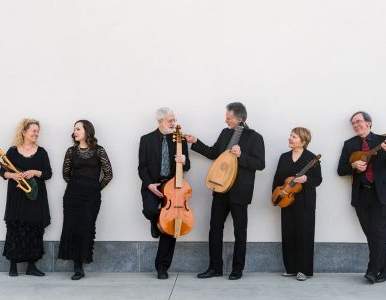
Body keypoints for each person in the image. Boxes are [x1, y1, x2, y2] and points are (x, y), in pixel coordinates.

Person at [185, 102, 265, 280]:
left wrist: (241, 155)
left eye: (228, 118)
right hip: (220, 188)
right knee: (214, 228)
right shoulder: (225, 133)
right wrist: (196, 142)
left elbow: (260, 164)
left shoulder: (255, 137)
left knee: (239, 231)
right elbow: (214, 153)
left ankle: (237, 270)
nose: (225, 120)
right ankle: (215, 268)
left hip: (240, 192)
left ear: (239, 119)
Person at [337, 111, 386, 283]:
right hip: (361, 194)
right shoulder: (349, 144)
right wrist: (353, 165)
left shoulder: (383, 141)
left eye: (358, 121)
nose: (355, 125)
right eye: (353, 123)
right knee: (372, 234)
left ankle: (372, 270)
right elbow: (340, 170)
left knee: (378, 233)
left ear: (369, 123)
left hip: (381, 194)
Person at [138, 107, 191, 279]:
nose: (173, 123)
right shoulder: (146, 139)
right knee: (150, 210)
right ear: (160, 121)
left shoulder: (179, 139)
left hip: (174, 187)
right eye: (170, 120)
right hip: (153, 185)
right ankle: (156, 221)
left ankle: (162, 267)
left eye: (174, 120)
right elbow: (142, 167)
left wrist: (184, 161)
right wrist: (149, 185)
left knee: (171, 224)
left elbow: (187, 166)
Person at [58, 120, 113, 280]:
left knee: (86, 227)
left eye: (78, 129)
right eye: (74, 129)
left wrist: (94, 188)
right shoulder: (71, 151)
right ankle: (77, 267)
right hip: (72, 195)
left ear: (87, 131)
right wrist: (78, 186)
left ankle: (82, 261)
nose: (74, 132)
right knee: (72, 228)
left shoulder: (99, 150)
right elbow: (65, 174)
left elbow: (109, 174)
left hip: (92, 196)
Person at [0, 118, 52, 277]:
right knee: (15, 228)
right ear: (24, 132)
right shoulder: (12, 151)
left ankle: (31, 267)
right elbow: (2, 172)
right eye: (33, 130)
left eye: (37, 131)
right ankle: (13, 266)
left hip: (35, 197)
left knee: (34, 229)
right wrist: (13, 175)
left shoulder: (42, 152)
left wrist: (35, 172)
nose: (36, 133)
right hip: (17, 196)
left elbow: (48, 173)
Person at [272, 127, 322, 281]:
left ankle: (303, 270)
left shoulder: (311, 158)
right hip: (286, 199)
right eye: (290, 135)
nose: (290, 138)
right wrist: (275, 196)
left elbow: (318, 180)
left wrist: (306, 180)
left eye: (293, 136)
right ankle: (291, 268)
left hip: (305, 201)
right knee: (288, 234)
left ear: (303, 141)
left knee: (304, 235)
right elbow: (277, 178)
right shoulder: (284, 157)